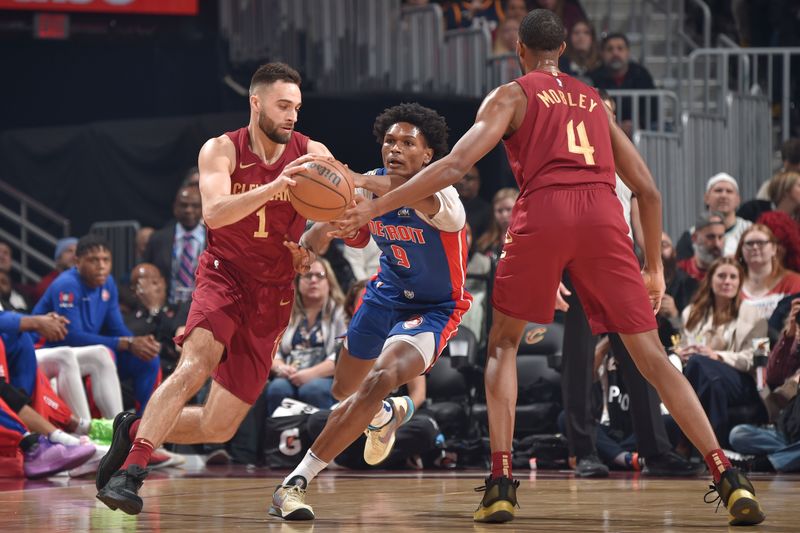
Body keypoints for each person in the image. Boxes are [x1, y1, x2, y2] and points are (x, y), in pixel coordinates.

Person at [335, 10, 764, 526]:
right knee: (652, 357)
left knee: (503, 345)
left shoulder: (511, 95)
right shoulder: (596, 103)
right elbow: (648, 190)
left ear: (520, 49)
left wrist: (374, 206)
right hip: (605, 217)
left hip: (544, 210)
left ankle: (500, 482)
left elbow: (451, 166)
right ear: (563, 51)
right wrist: (653, 266)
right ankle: (727, 476)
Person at [94, 62, 326, 515]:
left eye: (297, 107)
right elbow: (216, 213)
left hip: (274, 292)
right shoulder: (221, 150)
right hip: (224, 275)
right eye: (283, 106)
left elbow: (337, 212)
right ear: (255, 103)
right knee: (194, 364)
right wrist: (274, 185)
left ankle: (136, 428)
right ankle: (132, 472)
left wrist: (317, 240)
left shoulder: (311, 152)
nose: (292, 116)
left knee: (220, 426)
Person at [269, 102, 470, 521]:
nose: (394, 148)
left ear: (428, 155)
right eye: (389, 140)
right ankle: (386, 413)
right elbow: (322, 229)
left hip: (435, 309)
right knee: (345, 391)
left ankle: (295, 483)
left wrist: (355, 180)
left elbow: (418, 195)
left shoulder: (445, 197)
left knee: (381, 377)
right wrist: (308, 246)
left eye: (407, 143)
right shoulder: (362, 186)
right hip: (383, 297)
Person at [32, 235, 161, 415]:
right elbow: (72, 336)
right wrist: (126, 343)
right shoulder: (67, 284)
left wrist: (136, 342)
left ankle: (144, 424)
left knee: (147, 357)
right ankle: (104, 427)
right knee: (103, 354)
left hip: (85, 349)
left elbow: (117, 328)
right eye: (94, 260)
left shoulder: (107, 283)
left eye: (106, 260)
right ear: (77, 261)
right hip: (50, 349)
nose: (101, 266)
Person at [676, 257, 767, 446]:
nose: (727, 281)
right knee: (707, 377)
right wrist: (681, 354)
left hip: (741, 380)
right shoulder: (691, 313)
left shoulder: (755, 315)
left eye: (733, 277)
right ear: (710, 280)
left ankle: (685, 445)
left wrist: (717, 356)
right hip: (705, 378)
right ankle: (718, 450)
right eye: (722, 276)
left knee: (700, 364)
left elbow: (757, 358)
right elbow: (684, 346)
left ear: (739, 282)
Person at [265, 258, 347, 415]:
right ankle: (278, 438)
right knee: (277, 388)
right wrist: (281, 367)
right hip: (289, 374)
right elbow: (273, 349)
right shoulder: (285, 311)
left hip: (326, 376)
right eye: (308, 276)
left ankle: (319, 439)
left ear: (329, 281)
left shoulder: (341, 313)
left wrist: (310, 374)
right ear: (297, 282)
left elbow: (342, 355)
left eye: (320, 275)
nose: (314, 280)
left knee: (313, 389)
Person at [123, 263, 190, 378]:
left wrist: (155, 310)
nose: (156, 287)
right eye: (143, 284)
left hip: (176, 374)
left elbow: (179, 345)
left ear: (164, 282)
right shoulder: (129, 321)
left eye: (156, 281)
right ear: (135, 291)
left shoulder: (180, 311)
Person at [143, 184, 205, 304]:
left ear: (203, 208)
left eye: (195, 206)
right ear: (175, 207)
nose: (188, 210)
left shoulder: (214, 239)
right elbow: (147, 272)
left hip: (202, 309)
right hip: (167, 308)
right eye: (184, 205)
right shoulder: (158, 239)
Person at [588, 32, 656, 133]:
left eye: (620, 48)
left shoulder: (641, 75)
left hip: (639, 132)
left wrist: (639, 124)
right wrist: (614, 125)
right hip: (604, 132)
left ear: (628, 52)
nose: (615, 53)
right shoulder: (593, 78)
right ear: (602, 53)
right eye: (610, 49)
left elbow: (653, 108)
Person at [675, 174, 752, 260]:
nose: (723, 195)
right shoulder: (691, 236)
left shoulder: (751, 231)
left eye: (729, 191)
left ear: (738, 200)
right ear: (706, 198)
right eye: (718, 191)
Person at [737, 224, 800, 320]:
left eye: (761, 243)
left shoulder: (794, 282)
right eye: (749, 243)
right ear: (741, 250)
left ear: (774, 249)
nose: (755, 247)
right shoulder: (733, 284)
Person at [676, 212, 725, 282]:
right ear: (695, 238)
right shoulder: (680, 270)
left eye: (720, 237)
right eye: (711, 237)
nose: (717, 244)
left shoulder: (731, 272)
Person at [474, 187, 518, 261]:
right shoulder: (485, 243)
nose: (504, 215)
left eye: (509, 209)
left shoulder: (528, 239)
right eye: (499, 211)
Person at [454, 166, 492, 245]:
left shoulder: (487, 210)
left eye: (467, 178)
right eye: (459, 177)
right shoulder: (448, 206)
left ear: (478, 182)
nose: (461, 182)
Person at [32, 237, 78, 302]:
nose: (74, 256)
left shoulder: (85, 282)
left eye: (77, 252)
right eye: (69, 251)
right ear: (58, 258)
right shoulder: (47, 284)